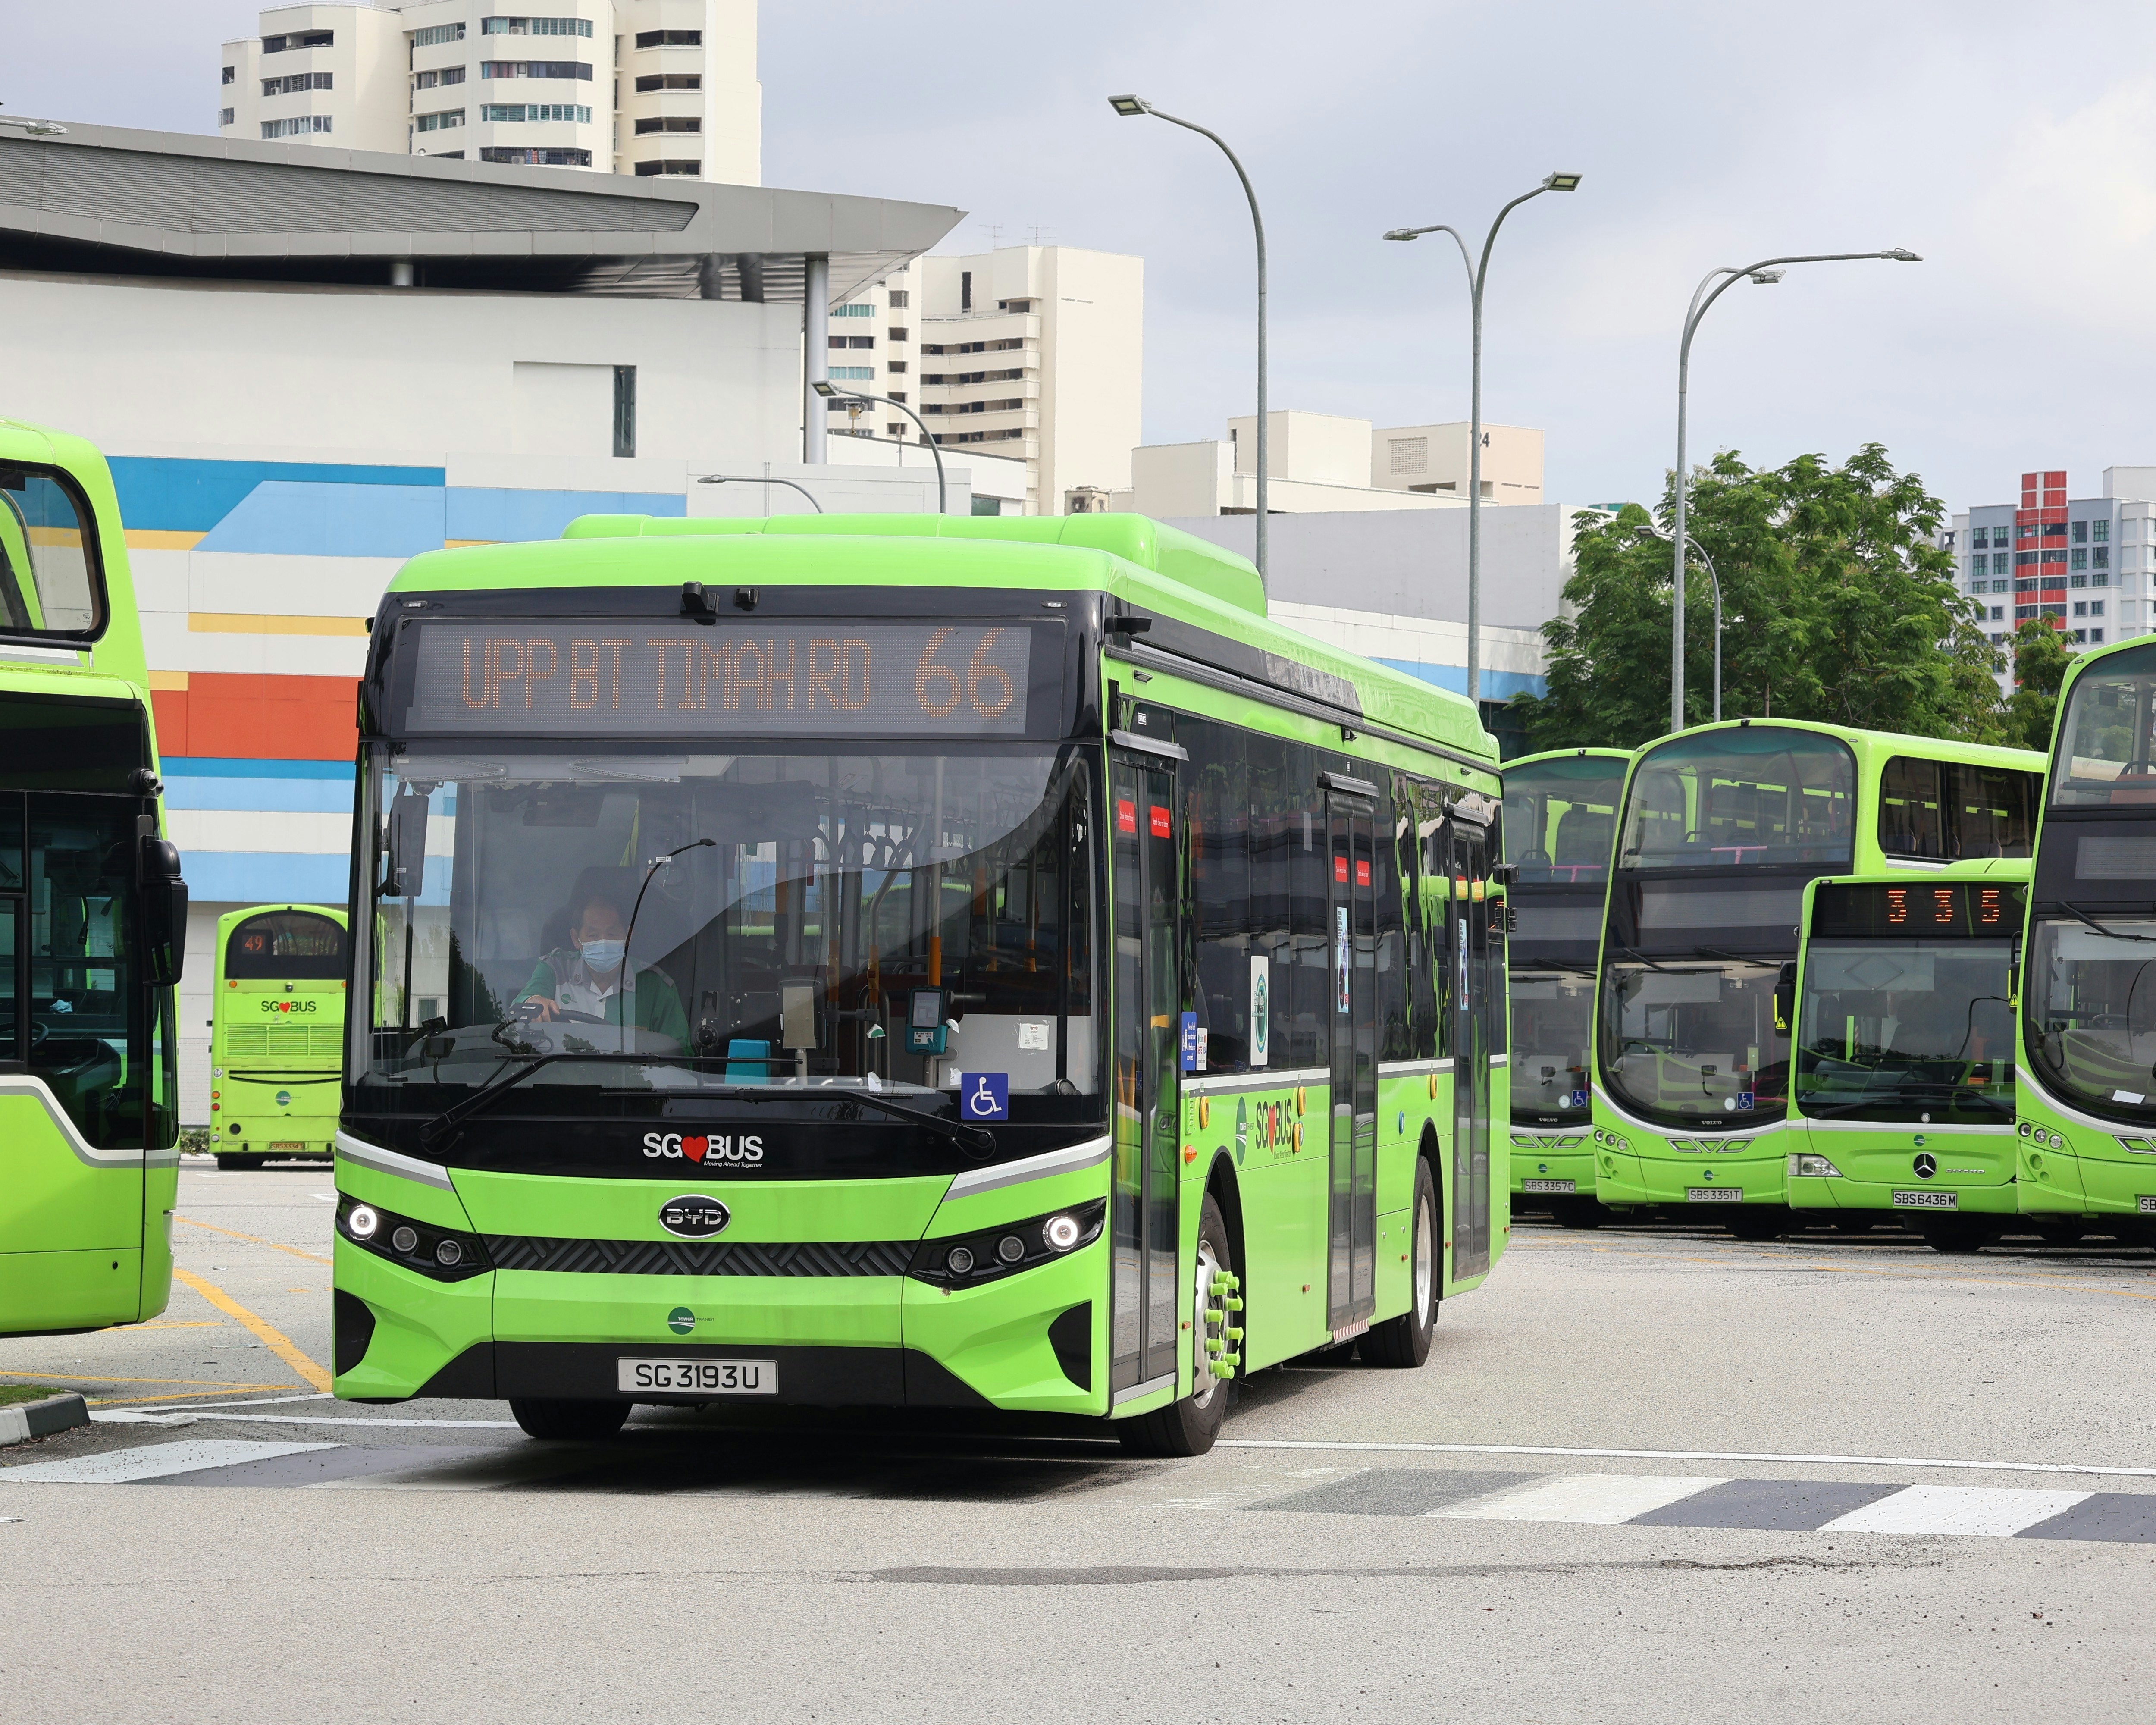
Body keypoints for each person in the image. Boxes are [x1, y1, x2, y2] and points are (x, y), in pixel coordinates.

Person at [517, 887, 689, 1045]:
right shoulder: (554, 969)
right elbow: (525, 1002)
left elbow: (679, 1057)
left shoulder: (655, 985)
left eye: (612, 933)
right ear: (576, 939)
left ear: (628, 936)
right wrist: (533, 1001)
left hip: (633, 1079)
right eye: (593, 935)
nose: (603, 942)